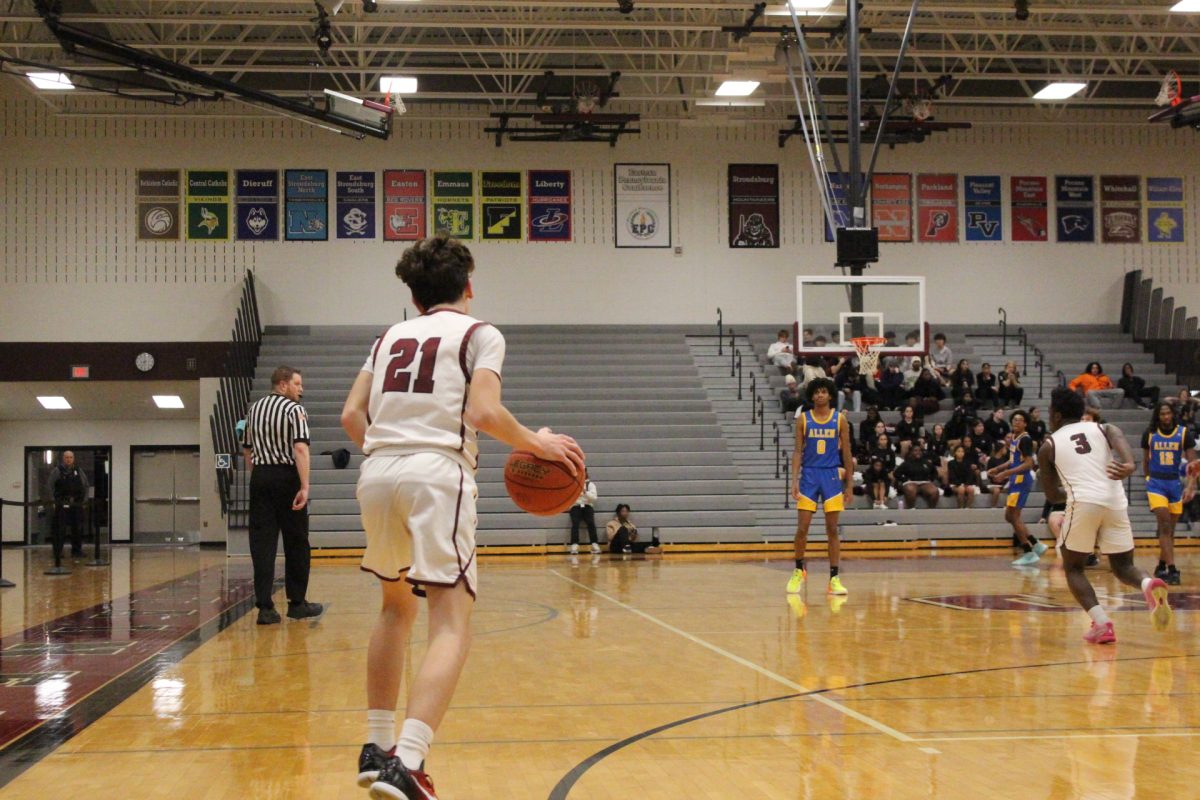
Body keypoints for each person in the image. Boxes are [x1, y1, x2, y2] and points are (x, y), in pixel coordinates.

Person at [339, 236, 586, 799]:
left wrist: (390, 449)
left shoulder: (388, 338)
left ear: (415, 291)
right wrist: (539, 444)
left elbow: (352, 414)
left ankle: (377, 747)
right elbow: (482, 411)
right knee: (451, 622)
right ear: (468, 285)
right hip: (435, 473)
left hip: (377, 472)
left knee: (394, 609)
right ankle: (410, 759)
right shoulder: (480, 334)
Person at [1038, 387, 1172, 644]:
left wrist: (1079, 490)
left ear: (1055, 415)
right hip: (1115, 500)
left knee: (1074, 568)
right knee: (1123, 566)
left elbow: (1052, 496)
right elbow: (1116, 433)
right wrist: (1129, 463)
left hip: (1083, 503)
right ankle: (1147, 584)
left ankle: (1102, 624)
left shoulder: (1048, 446)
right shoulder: (1100, 428)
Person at [242, 366, 323, 626]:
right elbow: (300, 448)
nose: (301, 389)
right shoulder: (294, 410)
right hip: (286, 477)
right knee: (297, 541)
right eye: (298, 384)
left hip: (260, 476)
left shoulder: (254, 410)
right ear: (283, 384)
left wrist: (259, 474)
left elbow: (247, 449)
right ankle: (297, 603)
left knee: (262, 544)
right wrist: (305, 486)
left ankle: (265, 608)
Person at [788, 378, 853, 597]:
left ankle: (834, 578)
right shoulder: (803, 419)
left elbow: (847, 454)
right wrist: (794, 480)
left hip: (831, 476)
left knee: (832, 529)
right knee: (802, 527)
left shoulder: (840, 420)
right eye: (816, 392)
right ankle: (799, 569)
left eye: (824, 392)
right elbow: (797, 452)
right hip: (809, 475)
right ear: (812, 396)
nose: (820, 395)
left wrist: (850, 485)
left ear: (831, 395)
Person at [1142, 402, 1196, 585]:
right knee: (1165, 525)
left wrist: (1190, 486)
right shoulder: (1149, 434)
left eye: (1168, 413)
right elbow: (1145, 460)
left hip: (1174, 483)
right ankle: (1173, 569)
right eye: (1162, 414)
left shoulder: (1183, 433)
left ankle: (1161, 565)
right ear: (1157, 415)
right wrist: (1147, 479)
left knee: (1169, 531)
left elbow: (1193, 464)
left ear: (1173, 415)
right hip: (1156, 483)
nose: (1165, 417)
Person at [988, 410, 1047, 566]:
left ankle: (1029, 551)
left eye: (1020, 420)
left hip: (1022, 481)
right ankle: (1036, 544)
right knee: (1010, 516)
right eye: (1014, 419)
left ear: (1026, 423)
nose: (1016, 422)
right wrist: (998, 469)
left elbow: (1029, 464)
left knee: (1013, 516)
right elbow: (1012, 460)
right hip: (1015, 480)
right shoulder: (1014, 437)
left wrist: (1006, 473)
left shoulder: (1025, 440)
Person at [46, 450, 89, 558]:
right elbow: (49, 486)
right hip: (61, 503)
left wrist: (84, 501)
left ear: (73, 459)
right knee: (60, 529)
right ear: (63, 459)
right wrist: (53, 501)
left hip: (76, 504)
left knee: (78, 528)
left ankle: (76, 550)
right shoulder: (57, 471)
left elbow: (86, 486)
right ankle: (58, 552)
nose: (68, 459)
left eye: (70, 457)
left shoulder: (78, 471)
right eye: (66, 457)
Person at [892, 443, 941, 509]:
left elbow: (935, 472)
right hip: (911, 482)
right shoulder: (906, 463)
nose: (918, 452)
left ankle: (931, 509)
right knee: (910, 490)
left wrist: (931, 479)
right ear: (911, 452)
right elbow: (896, 473)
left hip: (924, 482)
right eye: (915, 450)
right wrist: (905, 479)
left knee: (935, 491)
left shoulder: (926, 462)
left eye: (919, 450)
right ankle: (911, 508)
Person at [568, 469, 600, 555]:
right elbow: (570, 497)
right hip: (576, 506)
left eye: (583, 471)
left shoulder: (590, 484)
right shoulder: (572, 484)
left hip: (587, 506)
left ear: (586, 473)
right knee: (575, 524)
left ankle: (594, 544)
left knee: (591, 523)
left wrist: (585, 493)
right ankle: (574, 545)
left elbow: (594, 498)